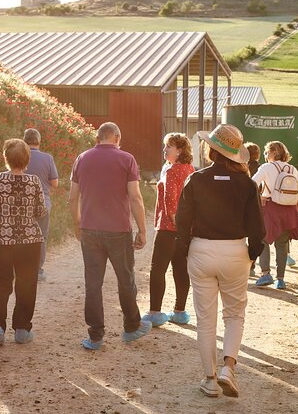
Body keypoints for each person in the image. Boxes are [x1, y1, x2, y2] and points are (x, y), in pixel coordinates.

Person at [175, 123, 265, 398]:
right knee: (234, 314)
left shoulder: (196, 179)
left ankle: (210, 380)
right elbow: (257, 228)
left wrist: (187, 247)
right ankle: (228, 367)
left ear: (211, 150)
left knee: (206, 320)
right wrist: (252, 254)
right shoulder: (247, 184)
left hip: (202, 250)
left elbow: (182, 220)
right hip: (235, 251)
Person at [68, 122, 152, 351]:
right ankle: (131, 327)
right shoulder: (127, 159)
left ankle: (95, 336)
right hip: (118, 230)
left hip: (90, 230)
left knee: (92, 284)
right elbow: (135, 198)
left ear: (98, 137)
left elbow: (72, 197)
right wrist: (142, 229)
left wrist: (77, 224)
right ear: (116, 137)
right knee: (125, 279)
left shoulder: (82, 159)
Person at [0, 139, 47, 346]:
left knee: (0, 284)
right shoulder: (34, 181)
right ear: (27, 159)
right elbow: (40, 211)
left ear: (6, 158)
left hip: (2, 239)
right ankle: (21, 329)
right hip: (29, 240)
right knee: (27, 283)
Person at [143, 133, 195, 327]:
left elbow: (171, 205)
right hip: (185, 229)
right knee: (180, 269)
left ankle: (155, 312)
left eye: (168, 147)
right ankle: (179, 311)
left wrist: (177, 226)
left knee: (158, 269)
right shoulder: (190, 169)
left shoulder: (172, 170)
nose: (164, 150)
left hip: (167, 227)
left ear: (179, 150)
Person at [251, 141, 298, 290]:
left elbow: (252, 183)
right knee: (281, 245)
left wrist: (259, 197)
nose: (265, 156)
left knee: (264, 240)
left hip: (270, 208)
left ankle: (266, 274)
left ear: (274, 153)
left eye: (267, 153)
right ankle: (280, 280)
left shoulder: (266, 167)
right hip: (289, 210)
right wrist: (296, 206)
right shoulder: (293, 169)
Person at [23, 128, 59, 282]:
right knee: (41, 236)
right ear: (39, 141)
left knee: (21, 234)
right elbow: (55, 183)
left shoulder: (20, 156)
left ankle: (21, 268)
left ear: (24, 141)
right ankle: (37, 271)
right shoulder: (47, 158)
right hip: (43, 201)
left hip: (22, 201)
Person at [244, 142, 262, 277]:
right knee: (254, 233)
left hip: (242, 204)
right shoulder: (262, 168)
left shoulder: (242, 168)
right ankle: (252, 263)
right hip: (259, 204)